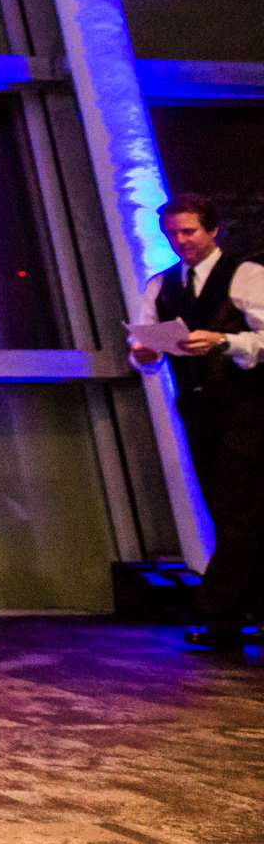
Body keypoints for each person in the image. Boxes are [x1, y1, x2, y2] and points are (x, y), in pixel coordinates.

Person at [128, 193, 264, 653]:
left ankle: (217, 611)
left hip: (249, 404)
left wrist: (225, 341)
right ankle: (245, 612)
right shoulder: (161, 285)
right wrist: (144, 354)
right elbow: (146, 349)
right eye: (173, 234)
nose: (181, 241)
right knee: (227, 510)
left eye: (189, 231)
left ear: (213, 230)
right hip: (199, 406)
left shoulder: (246, 274)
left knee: (240, 508)